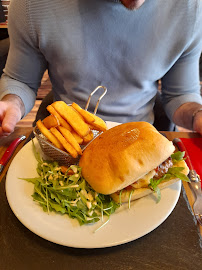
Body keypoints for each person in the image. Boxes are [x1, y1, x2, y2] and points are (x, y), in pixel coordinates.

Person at [0, 0, 202, 138]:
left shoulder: (190, 9)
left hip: (139, 138)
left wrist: (197, 115)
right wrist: (12, 104)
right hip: (66, 140)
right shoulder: (32, 5)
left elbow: (180, 95)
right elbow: (22, 81)